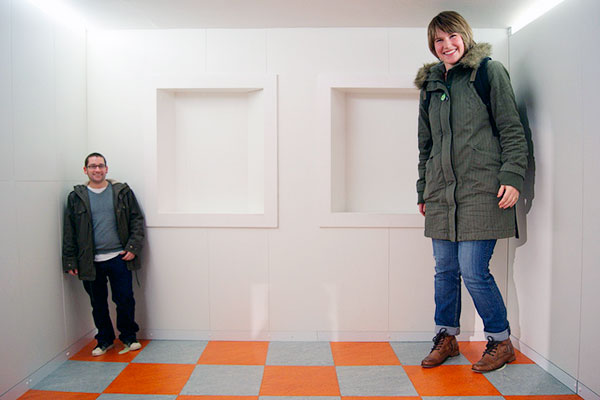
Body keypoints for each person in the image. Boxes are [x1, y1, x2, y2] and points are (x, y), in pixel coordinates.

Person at [414, 11, 528, 372]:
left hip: (483, 192)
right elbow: (426, 145)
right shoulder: (431, 86)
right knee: (444, 269)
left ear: (465, 36)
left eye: (451, 37)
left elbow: (512, 128)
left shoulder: (488, 73)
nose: (446, 45)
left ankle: (500, 340)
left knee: (473, 270)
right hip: (441, 194)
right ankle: (446, 338)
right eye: (438, 41)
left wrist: (512, 175)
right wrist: (423, 190)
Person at [62, 152, 145, 356]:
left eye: (100, 166)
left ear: (106, 169)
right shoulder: (76, 197)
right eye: (92, 166)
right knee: (97, 303)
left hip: (119, 257)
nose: (97, 170)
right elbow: (69, 230)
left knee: (125, 298)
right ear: (85, 170)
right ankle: (105, 340)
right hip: (90, 261)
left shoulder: (122, 192)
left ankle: (128, 336)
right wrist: (70, 260)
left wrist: (133, 248)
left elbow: (136, 220)